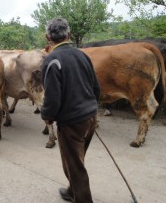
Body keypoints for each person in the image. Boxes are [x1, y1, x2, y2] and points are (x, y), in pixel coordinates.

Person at [41, 17, 100, 203]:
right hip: (90, 117)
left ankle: (83, 199)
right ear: (69, 34)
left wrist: (47, 116)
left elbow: (52, 97)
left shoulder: (52, 60)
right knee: (76, 160)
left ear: (47, 37)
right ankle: (72, 191)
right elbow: (96, 87)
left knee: (74, 165)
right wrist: (90, 109)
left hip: (72, 122)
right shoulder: (83, 55)